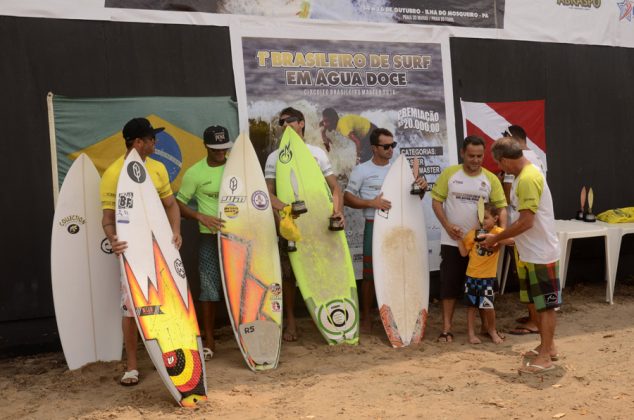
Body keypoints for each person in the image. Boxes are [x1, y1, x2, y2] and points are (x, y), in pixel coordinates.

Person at [100, 117, 182, 386]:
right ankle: (132, 366)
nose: (155, 143)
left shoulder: (158, 169)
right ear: (138, 142)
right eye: (151, 139)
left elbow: (171, 205)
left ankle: (172, 356)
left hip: (160, 250)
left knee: (168, 300)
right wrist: (113, 239)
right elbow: (108, 218)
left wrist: (175, 232)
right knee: (131, 309)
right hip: (132, 254)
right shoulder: (114, 173)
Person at [481, 137, 561, 373]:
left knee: (545, 306)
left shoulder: (527, 178)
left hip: (541, 253)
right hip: (529, 251)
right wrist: (505, 239)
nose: (500, 168)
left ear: (505, 160)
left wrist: (496, 237)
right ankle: (549, 347)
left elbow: (526, 221)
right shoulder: (522, 175)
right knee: (534, 304)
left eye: (500, 164)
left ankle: (546, 356)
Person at [264, 106, 344, 342]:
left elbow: (335, 188)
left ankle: (328, 318)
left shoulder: (316, 153)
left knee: (323, 270)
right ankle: (291, 322)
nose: (285, 125)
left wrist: (337, 211)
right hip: (290, 225)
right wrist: (283, 211)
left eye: (289, 120)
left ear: (301, 123)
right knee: (289, 277)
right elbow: (267, 193)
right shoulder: (274, 157)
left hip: (318, 223)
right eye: (281, 122)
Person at [343, 128, 427, 333]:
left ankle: (397, 313)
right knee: (370, 274)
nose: (391, 149)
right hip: (374, 225)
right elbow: (347, 197)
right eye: (386, 146)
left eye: (393, 145)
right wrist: (372, 202)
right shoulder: (362, 170)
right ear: (374, 148)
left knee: (399, 270)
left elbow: (415, 200)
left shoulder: (400, 170)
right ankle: (366, 318)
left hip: (399, 226)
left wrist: (421, 189)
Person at [431, 136, 507, 343]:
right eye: (471, 155)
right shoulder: (450, 174)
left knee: (484, 287)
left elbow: (502, 208)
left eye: (479, 156)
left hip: (483, 242)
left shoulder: (490, 179)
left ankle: (487, 328)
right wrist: (447, 226)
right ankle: (447, 329)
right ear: (463, 153)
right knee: (450, 284)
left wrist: (500, 235)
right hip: (453, 240)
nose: (475, 160)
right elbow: (436, 202)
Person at [176, 125, 232, 360]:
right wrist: (200, 215)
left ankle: (246, 334)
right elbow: (178, 203)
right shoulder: (195, 173)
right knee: (209, 287)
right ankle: (209, 340)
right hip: (209, 238)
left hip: (240, 237)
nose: (221, 153)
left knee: (243, 286)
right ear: (206, 146)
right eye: (216, 149)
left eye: (224, 148)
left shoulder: (237, 168)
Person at [501, 125, 546, 336]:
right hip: (528, 229)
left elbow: (508, 193)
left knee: (527, 279)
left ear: (512, 139)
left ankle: (535, 322)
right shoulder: (536, 156)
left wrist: (501, 180)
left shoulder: (520, 164)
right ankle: (534, 318)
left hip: (521, 228)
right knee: (529, 278)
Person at [457, 203, 509, 344]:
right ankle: (471, 334)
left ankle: (491, 330)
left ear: (496, 218)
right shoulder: (473, 233)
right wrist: (458, 238)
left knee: (488, 306)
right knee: (471, 307)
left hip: (488, 277)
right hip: (472, 276)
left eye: (486, 218)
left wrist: (494, 238)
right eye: (480, 218)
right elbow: (463, 253)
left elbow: (512, 241)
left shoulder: (498, 232)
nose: (482, 221)